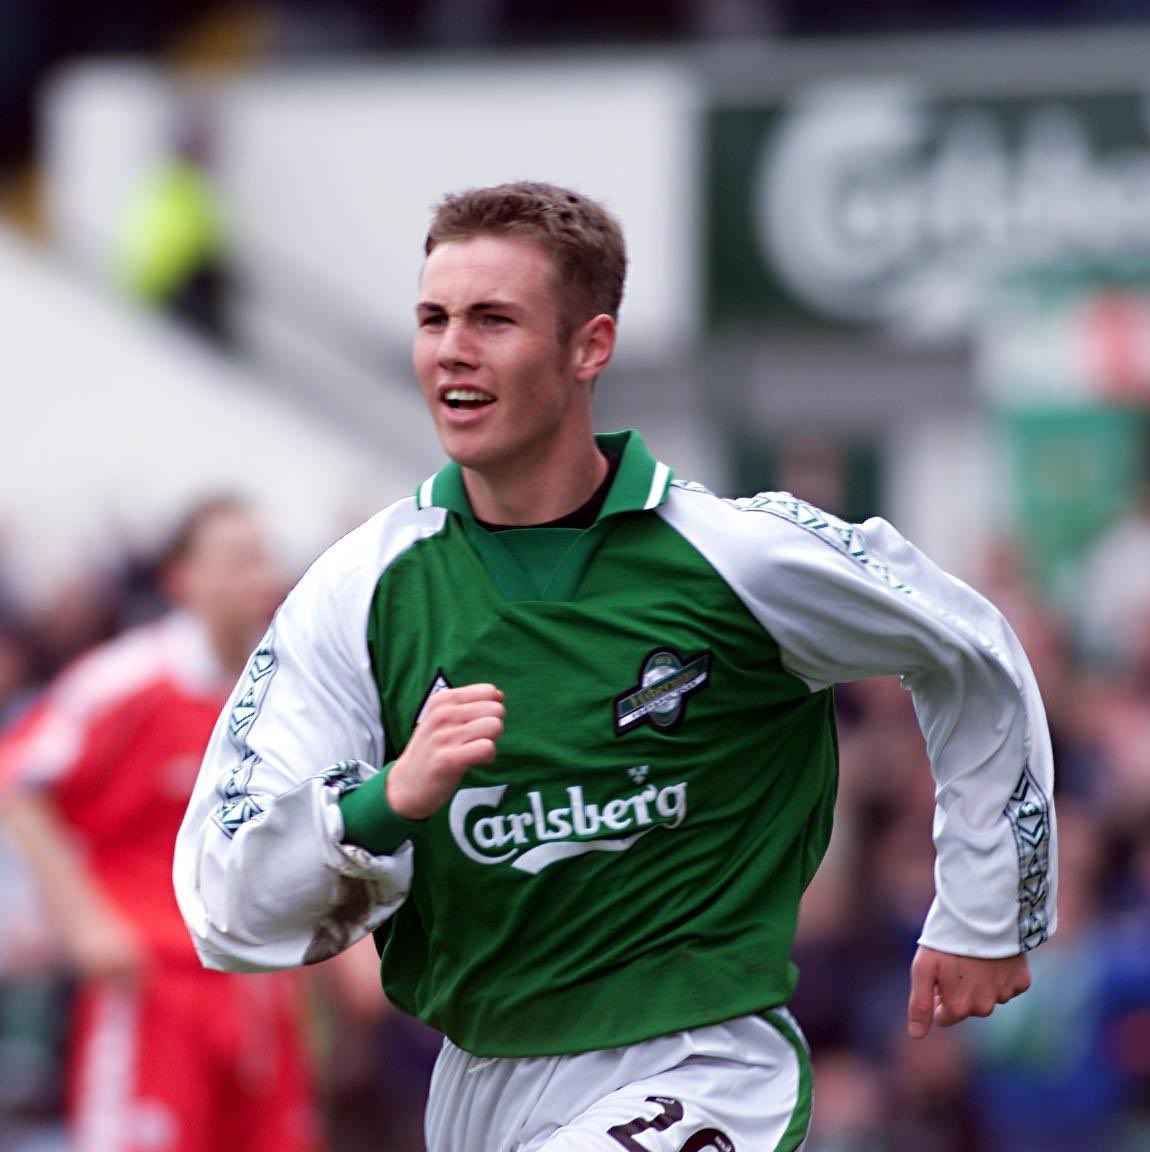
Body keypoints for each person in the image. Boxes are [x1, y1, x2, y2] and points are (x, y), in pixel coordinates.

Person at [174, 182, 1057, 1151]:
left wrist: (986, 910)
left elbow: (970, 644)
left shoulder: (741, 554)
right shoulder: (356, 591)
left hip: (702, 1066)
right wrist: (387, 800)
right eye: (433, 319)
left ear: (589, 346)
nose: (452, 349)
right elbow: (228, 903)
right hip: (475, 1080)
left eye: (492, 319)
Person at [0, 497, 324, 1152]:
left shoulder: (284, 694)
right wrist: (85, 923)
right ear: (183, 578)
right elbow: (19, 778)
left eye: (263, 558)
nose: (259, 577)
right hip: (155, 989)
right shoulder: (130, 679)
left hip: (262, 995)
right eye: (237, 560)